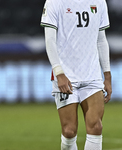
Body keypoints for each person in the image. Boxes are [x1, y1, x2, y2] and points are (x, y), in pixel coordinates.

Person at [41, 0, 112, 149]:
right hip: (66, 76)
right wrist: (59, 72)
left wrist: (107, 75)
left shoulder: (99, 2)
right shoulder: (54, 2)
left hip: (92, 75)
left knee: (96, 126)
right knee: (69, 131)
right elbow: (49, 40)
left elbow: (101, 39)